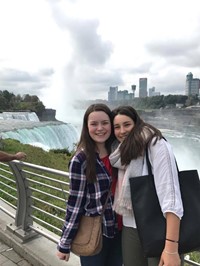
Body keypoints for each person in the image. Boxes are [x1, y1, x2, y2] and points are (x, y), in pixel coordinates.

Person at [109, 105, 184, 266]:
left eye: (127, 124)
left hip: (160, 227)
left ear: (137, 123)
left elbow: (171, 195)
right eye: (117, 127)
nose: (122, 131)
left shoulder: (155, 144)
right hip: (130, 226)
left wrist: (171, 247)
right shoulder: (120, 151)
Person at [56, 103, 123, 266]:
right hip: (96, 231)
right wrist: (64, 244)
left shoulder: (119, 151)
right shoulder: (81, 160)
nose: (100, 128)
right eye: (94, 124)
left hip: (120, 229)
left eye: (105, 123)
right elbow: (75, 204)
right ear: (87, 127)